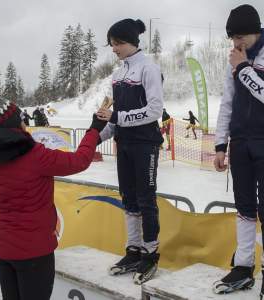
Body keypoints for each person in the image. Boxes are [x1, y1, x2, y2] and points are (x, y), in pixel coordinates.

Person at [0, 88, 107, 300]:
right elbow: (79, 160)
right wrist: (94, 130)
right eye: (21, 119)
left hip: (2, 246)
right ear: (16, 124)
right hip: (34, 250)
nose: (25, 123)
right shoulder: (35, 156)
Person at [213, 4, 264, 299]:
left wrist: (243, 67)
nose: (235, 44)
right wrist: (221, 144)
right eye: (232, 38)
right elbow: (227, 102)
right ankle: (243, 267)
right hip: (241, 142)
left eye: (239, 37)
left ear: (255, 31)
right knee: (244, 208)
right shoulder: (236, 59)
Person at [97, 18, 164, 285]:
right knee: (129, 199)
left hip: (145, 144)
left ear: (131, 42)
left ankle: (151, 253)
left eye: (118, 43)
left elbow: (155, 110)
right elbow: (114, 119)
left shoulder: (149, 69)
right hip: (123, 144)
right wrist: (96, 138)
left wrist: (118, 118)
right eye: (112, 44)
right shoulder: (117, 75)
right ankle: (133, 249)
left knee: (146, 199)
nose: (114, 48)